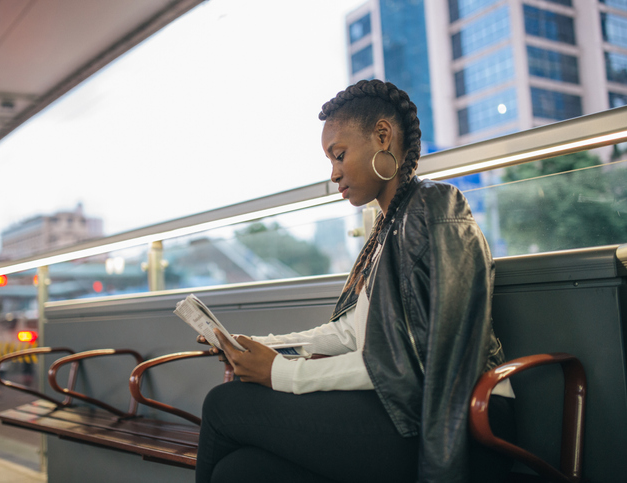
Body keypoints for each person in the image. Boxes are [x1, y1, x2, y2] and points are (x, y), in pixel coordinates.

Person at [195, 79, 516, 483]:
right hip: (399, 409)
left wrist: (281, 372)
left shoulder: (434, 208)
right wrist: (259, 347)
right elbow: (350, 334)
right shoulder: (388, 229)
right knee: (239, 471)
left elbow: (412, 364)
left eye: (340, 154)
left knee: (226, 405)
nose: (334, 173)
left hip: (456, 419)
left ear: (382, 135)